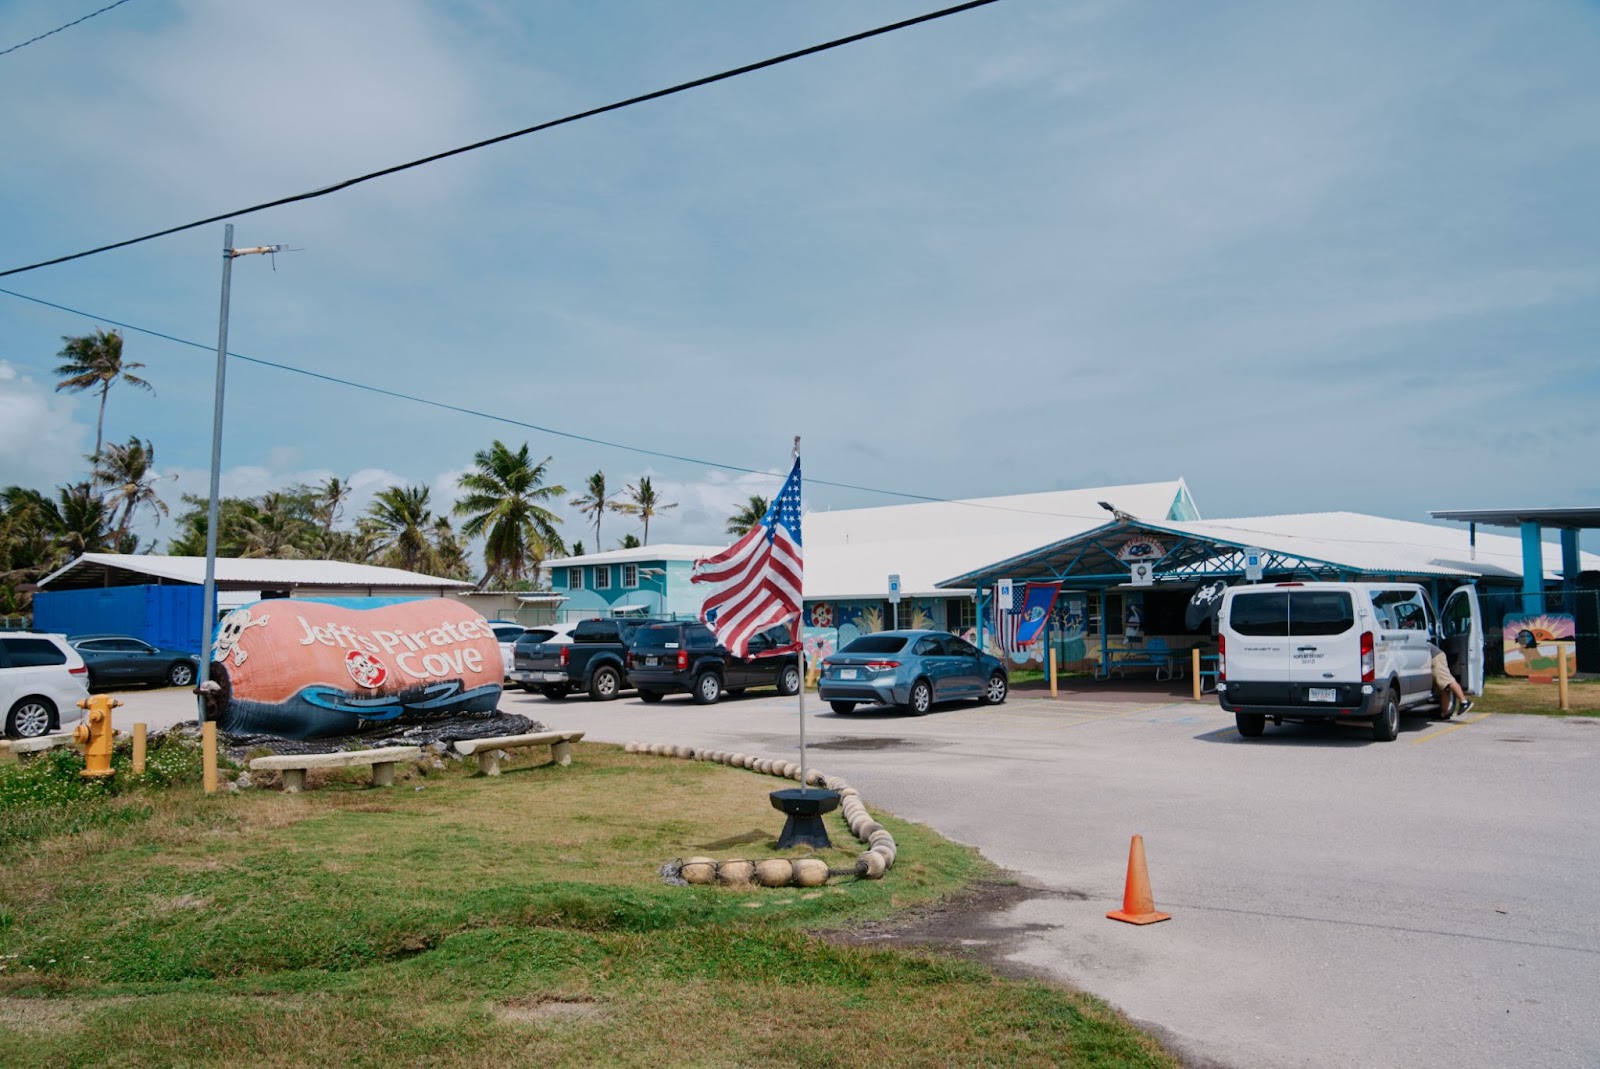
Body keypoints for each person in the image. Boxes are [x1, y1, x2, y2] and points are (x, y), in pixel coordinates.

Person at [1426, 641, 1472, 715]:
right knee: (1443, 687)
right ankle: (1444, 712)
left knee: (1447, 681)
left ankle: (1464, 702)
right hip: (1434, 657)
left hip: (1436, 657)